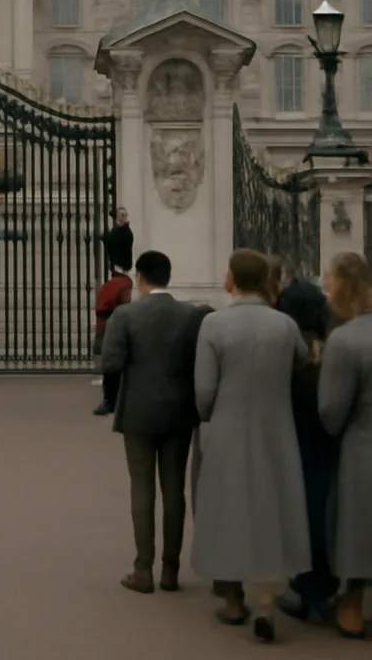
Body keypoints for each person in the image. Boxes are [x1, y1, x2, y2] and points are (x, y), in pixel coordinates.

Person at [191, 249, 311, 643]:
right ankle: (265, 601)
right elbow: (300, 362)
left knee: (229, 507)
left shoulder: (213, 324)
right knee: (269, 508)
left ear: (233, 279)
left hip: (228, 424)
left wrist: (212, 413)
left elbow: (204, 391)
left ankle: (233, 600)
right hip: (276, 426)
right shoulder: (284, 325)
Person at [100, 250, 198, 594]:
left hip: (139, 411)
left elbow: (110, 363)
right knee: (174, 489)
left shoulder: (126, 315)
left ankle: (143, 569)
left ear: (140, 276)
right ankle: (171, 569)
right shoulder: (191, 315)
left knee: (141, 489)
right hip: (179, 409)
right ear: (168, 276)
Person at [273, 277, 339, 625]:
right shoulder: (329, 348)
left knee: (301, 517)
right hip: (329, 443)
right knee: (324, 514)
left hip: (295, 440)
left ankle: (306, 587)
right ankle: (323, 586)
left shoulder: (289, 352)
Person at [318, 251, 372, 640]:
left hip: (361, 444)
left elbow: (332, 411)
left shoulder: (345, 339)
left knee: (356, 527)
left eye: (329, 282)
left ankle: (351, 608)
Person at [91, 263, 133, 416]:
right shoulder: (123, 284)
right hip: (113, 324)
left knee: (110, 365)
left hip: (111, 326)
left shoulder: (116, 285)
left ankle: (110, 401)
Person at [103, 207, 133, 273]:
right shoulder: (114, 232)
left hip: (124, 266)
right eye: (123, 215)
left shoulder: (127, 232)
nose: (125, 217)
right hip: (116, 266)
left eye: (126, 215)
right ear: (117, 216)